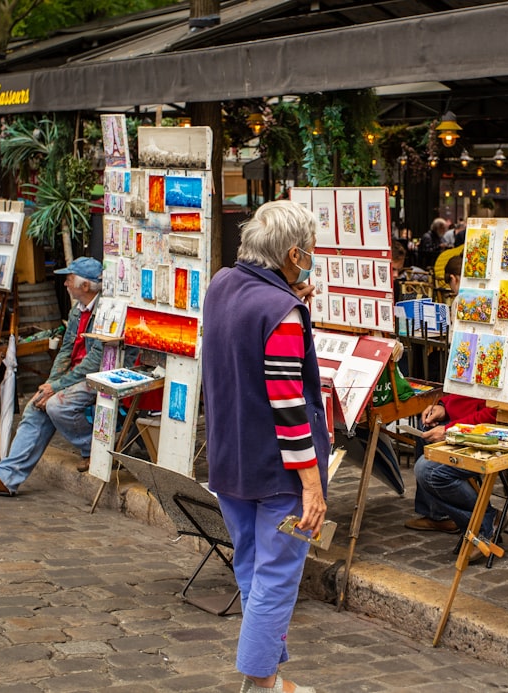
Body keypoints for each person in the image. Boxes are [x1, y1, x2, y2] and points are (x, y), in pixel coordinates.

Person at [202, 201, 327, 693]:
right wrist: (312, 485)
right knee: (276, 579)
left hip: (229, 458)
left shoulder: (219, 285)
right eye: (310, 251)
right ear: (293, 254)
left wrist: (291, 297)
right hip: (279, 471)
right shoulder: (283, 313)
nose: (312, 258)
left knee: (253, 569)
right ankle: (258, 683)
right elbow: (289, 406)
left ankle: (270, 679)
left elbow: (242, 332)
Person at [0, 257, 107, 495]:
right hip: (74, 375)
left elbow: (95, 361)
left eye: (69, 279)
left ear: (85, 286)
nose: (65, 284)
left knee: (57, 406)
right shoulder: (77, 311)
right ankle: (6, 477)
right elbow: (66, 349)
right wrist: (51, 384)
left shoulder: (104, 311)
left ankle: (95, 448)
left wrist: (58, 386)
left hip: (97, 375)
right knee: (36, 405)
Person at [406, 254, 499, 561]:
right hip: (463, 424)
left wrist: (450, 430)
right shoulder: (469, 347)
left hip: (484, 432)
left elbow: (493, 415)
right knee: (424, 435)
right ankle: (466, 520)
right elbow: (460, 391)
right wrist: (442, 408)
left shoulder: (495, 353)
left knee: (428, 470)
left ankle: (483, 523)